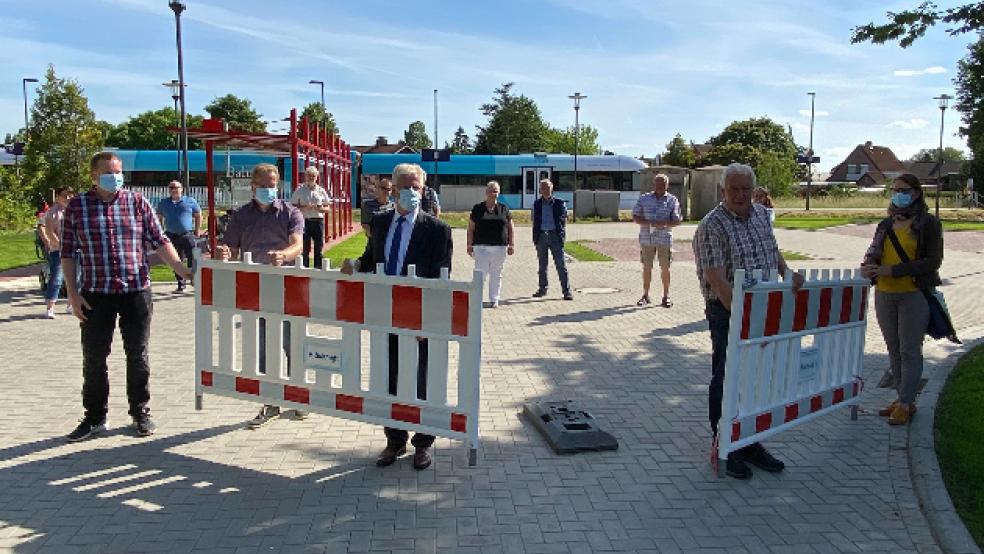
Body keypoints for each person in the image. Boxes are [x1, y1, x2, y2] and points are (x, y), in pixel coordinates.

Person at [61, 152, 193, 442]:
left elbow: (160, 240)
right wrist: (72, 293)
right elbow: (68, 253)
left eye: (118, 171)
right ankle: (95, 417)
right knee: (94, 358)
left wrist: (183, 271)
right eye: (109, 172)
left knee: (138, 355)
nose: (116, 177)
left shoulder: (136, 202)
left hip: (136, 290)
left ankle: (140, 411)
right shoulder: (77, 207)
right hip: (96, 294)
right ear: (94, 176)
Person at [692, 163, 804, 480]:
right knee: (727, 375)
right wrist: (742, 315)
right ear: (723, 190)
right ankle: (725, 442)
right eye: (734, 189)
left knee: (756, 378)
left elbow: (772, 249)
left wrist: (786, 272)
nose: (740, 195)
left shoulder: (759, 215)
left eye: (745, 189)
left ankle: (751, 440)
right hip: (728, 311)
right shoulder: (711, 226)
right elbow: (715, 277)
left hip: (764, 306)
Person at [342, 163, 452, 471]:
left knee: (422, 382)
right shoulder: (379, 222)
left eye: (415, 187)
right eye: (404, 187)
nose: (410, 192)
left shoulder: (437, 229)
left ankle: (423, 443)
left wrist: (426, 319)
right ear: (393, 189)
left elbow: (441, 280)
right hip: (384, 316)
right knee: (387, 379)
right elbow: (369, 259)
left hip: (419, 319)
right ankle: (394, 440)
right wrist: (353, 265)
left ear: (423, 189)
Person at [216, 163, 306, 428]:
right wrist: (224, 252)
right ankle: (270, 401)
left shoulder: (291, 212)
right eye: (264, 185)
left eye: (273, 184)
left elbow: (298, 244)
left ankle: (298, 396)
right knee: (265, 346)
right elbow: (230, 247)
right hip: (256, 287)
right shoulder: (242, 215)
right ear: (253, 186)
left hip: (288, 285)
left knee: (293, 342)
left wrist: (285, 255)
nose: (269, 189)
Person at [861, 173, 943, 425]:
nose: (899, 194)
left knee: (909, 350)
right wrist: (870, 266)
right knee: (894, 350)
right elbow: (874, 251)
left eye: (904, 189)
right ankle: (902, 399)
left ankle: (906, 403)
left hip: (912, 294)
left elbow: (932, 261)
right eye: (894, 189)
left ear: (916, 193)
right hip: (885, 293)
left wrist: (893, 270)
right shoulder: (885, 224)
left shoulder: (928, 223)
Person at [632, 174, 681, 307]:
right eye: (658, 183)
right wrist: (649, 222)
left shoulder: (672, 200)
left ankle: (666, 296)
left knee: (665, 268)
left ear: (667, 185)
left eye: (663, 184)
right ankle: (645, 295)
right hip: (647, 239)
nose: (660, 186)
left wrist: (664, 224)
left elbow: (677, 220)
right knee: (647, 267)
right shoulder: (644, 199)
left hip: (664, 239)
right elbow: (635, 216)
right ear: (654, 184)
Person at [467, 181, 515, 308]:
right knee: (480, 274)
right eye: (492, 190)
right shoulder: (477, 208)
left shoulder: (504, 208)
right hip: (481, 247)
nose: (494, 193)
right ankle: (476, 298)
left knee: (496, 274)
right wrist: (469, 245)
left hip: (500, 247)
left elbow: (510, 227)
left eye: (496, 191)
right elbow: (471, 228)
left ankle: (494, 299)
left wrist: (511, 244)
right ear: (486, 192)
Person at [156, 180, 201, 292]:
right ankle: (181, 283)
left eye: (176, 187)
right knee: (176, 259)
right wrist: (161, 231)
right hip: (171, 235)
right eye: (171, 187)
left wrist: (197, 230)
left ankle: (194, 279)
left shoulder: (190, 201)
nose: (174, 189)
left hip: (187, 234)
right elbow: (159, 217)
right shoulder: (164, 203)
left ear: (181, 189)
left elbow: (198, 215)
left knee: (193, 257)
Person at [532, 179, 572, 300]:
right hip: (542, 236)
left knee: (561, 265)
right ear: (540, 190)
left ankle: (567, 291)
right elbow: (534, 220)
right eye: (543, 188)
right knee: (542, 265)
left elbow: (564, 218)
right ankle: (542, 289)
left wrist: (561, 234)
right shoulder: (537, 204)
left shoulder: (559, 203)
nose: (546, 190)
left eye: (548, 187)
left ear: (552, 188)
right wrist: (536, 238)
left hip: (555, 236)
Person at [40, 186, 75, 318]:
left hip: (75, 249)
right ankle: (50, 308)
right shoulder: (52, 213)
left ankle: (71, 305)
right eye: (64, 195)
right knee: (57, 278)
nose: (67, 198)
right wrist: (61, 246)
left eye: (70, 195)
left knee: (75, 279)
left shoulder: (75, 211)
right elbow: (49, 232)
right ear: (58, 197)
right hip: (58, 250)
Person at [290, 166, 331, 269]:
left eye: (313, 176)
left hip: (318, 221)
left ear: (317, 177)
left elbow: (328, 207)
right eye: (309, 175)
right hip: (305, 221)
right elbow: (292, 206)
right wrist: (304, 207)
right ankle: (305, 269)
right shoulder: (299, 190)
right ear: (305, 177)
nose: (311, 178)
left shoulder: (321, 191)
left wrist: (321, 209)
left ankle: (318, 268)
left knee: (319, 247)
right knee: (305, 247)